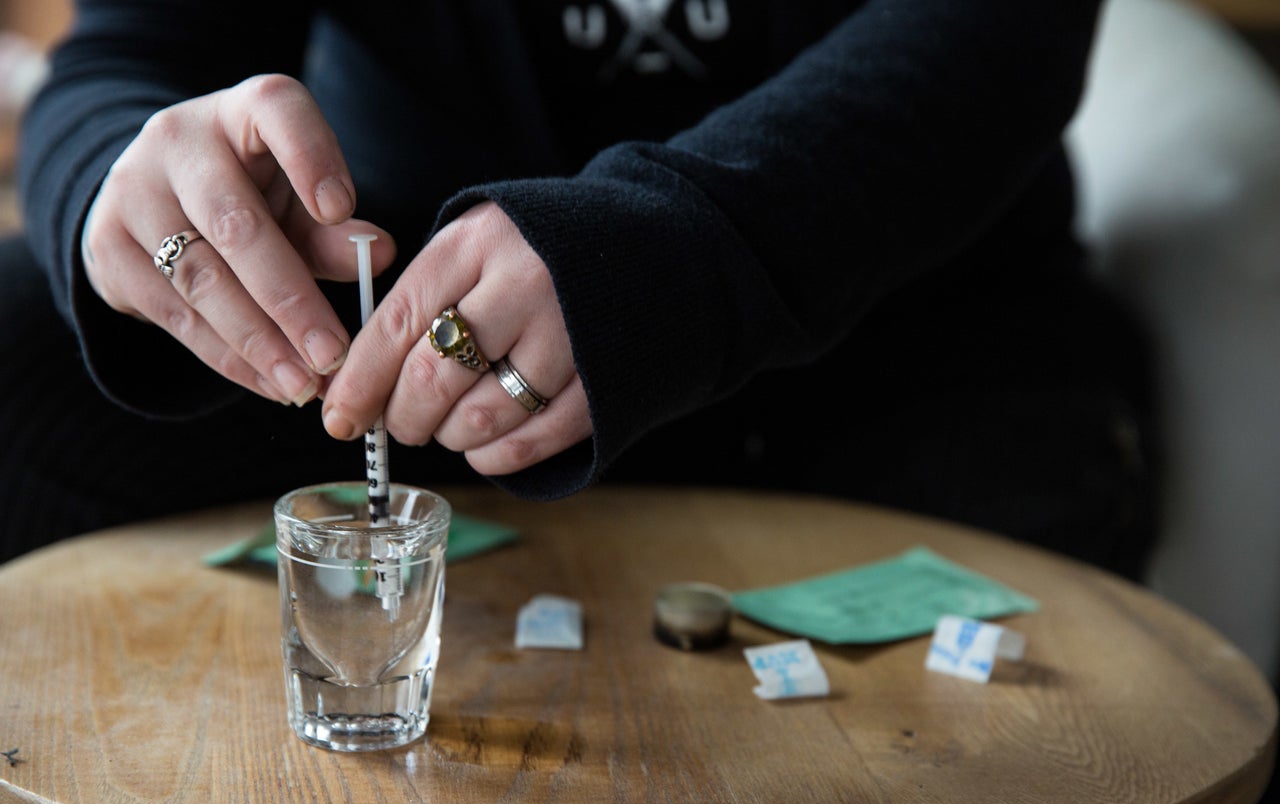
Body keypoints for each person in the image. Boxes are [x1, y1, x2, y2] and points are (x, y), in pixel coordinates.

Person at [0, 0, 1158, 578]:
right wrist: (115, 184)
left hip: (888, 344)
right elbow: (126, 54)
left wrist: (679, 250)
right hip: (408, 366)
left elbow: (996, 32)